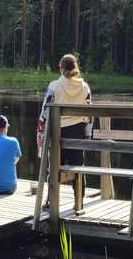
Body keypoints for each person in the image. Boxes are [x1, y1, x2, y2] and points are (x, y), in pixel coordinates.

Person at [37, 54, 92, 204]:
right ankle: (79, 201)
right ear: (76, 68)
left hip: (57, 131)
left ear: (61, 69)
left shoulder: (54, 86)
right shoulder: (85, 87)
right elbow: (89, 114)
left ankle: (51, 201)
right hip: (77, 131)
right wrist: (87, 134)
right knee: (78, 167)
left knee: (54, 167)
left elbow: (45, 112)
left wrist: (41, 133)